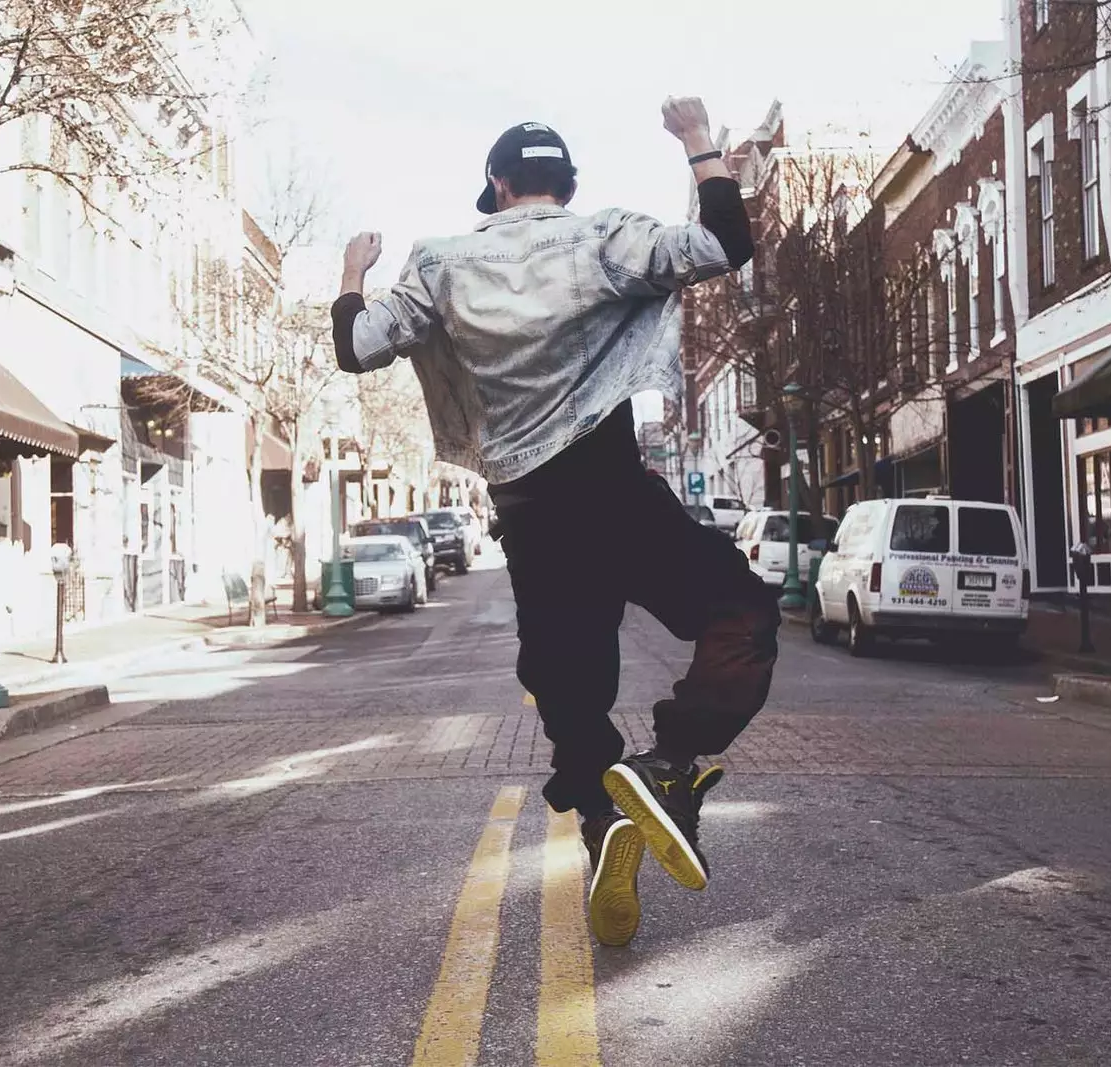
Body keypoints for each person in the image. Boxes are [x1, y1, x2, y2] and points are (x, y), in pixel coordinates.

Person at [331, 97, 780, 946]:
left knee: (574, 701)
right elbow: (727, 242)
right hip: (616, 494)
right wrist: (696, 141)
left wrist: (355, 270)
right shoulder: (605, 237)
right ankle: (671, 763)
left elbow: (356, 348)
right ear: (565, 185)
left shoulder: (441, 264)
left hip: (533, 520)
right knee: (743, 614)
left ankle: (606, 820)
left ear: (496, 187)